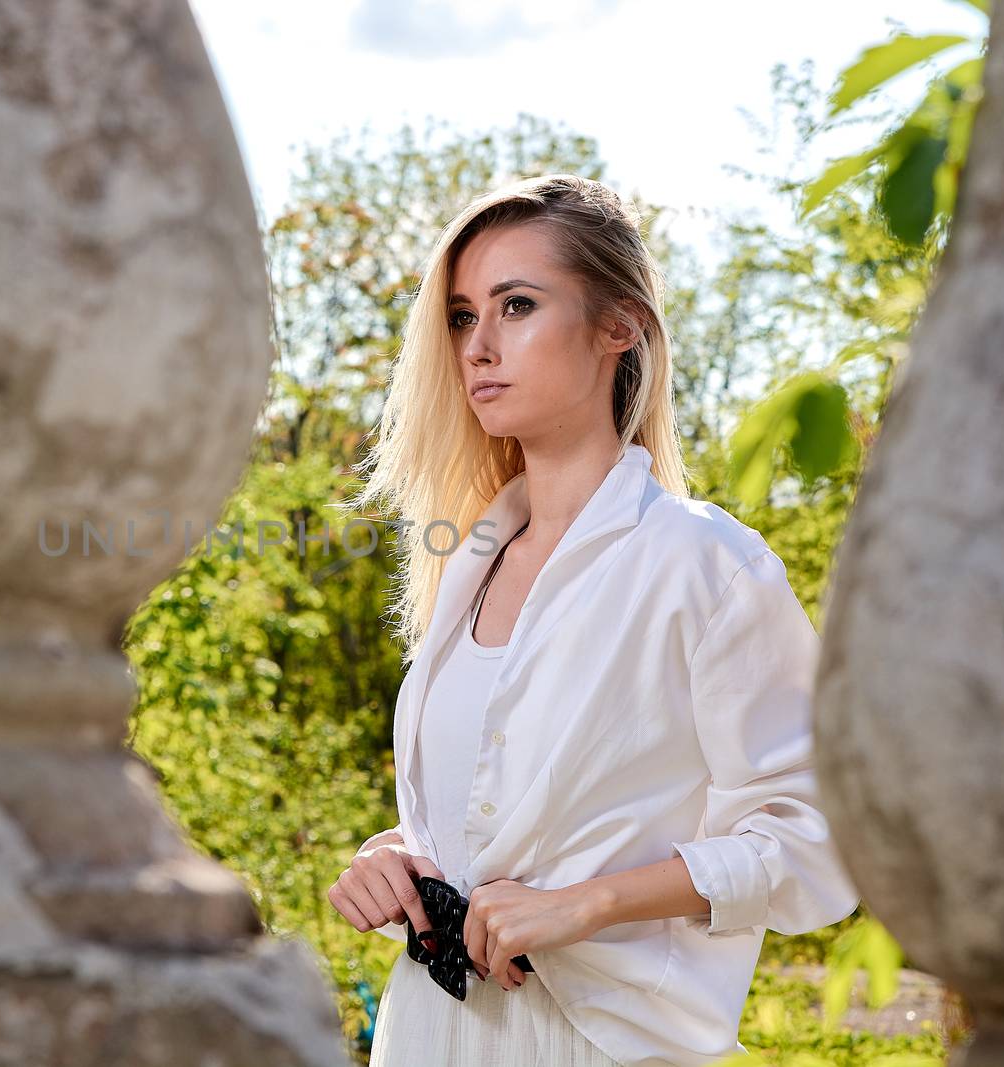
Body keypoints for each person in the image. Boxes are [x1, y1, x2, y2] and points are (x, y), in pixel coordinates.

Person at [326, 174, 860, 1066]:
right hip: (430, 1030)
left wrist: (589, 903)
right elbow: (483, 818)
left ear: (620, 327)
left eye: (518, 306)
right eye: (462, 317)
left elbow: (822, 837)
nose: (479, 346)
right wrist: (397, 858)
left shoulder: (702, 564)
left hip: (600, 1042)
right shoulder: (466, 564)